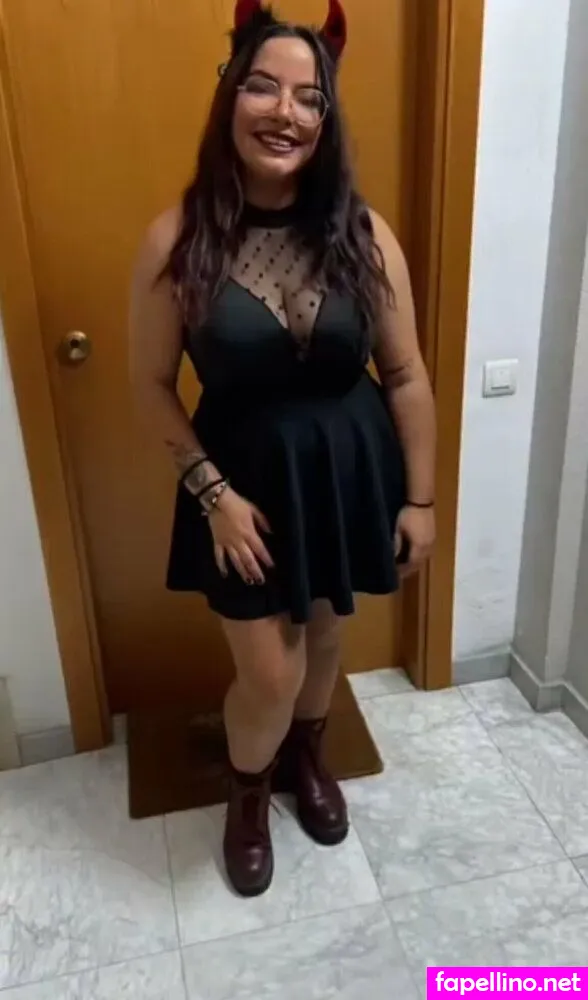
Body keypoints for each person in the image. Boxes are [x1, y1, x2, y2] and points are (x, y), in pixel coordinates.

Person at [129, 0, 436, 898]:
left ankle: (307, 754)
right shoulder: (177, 238)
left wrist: (420, 499)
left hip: (348, 474)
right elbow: (149, 384)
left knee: (327, 631)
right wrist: (212, 496)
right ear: (228, 95)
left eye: (309, 96)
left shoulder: (363, 233)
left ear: (326, 118)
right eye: (263, 86)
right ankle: (249, 792)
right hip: (243, 490)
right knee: (269, 668)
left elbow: (405, 373)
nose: (285, 112)